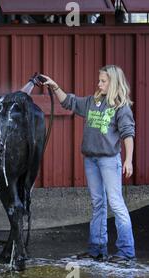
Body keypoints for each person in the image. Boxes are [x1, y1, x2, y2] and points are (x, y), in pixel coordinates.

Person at [41, 65, 136, 263]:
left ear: (113, 83)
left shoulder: (121, 107)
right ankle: (97, 249)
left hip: (109, 160)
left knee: (116, 203)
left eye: (103, 81)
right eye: (99, 80)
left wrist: (128, 160)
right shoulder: (93, 102)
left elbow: (128, 134)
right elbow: (70, 103)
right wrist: (56, 87)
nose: (99, 83)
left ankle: (126, 251)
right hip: (91, 160)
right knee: (98, 203)